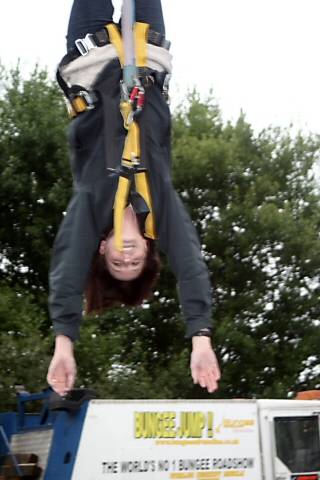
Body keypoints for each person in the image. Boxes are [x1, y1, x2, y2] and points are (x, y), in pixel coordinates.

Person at [47, 0, 221, 396]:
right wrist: (201, 338)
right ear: (147, 248)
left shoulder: (91, 206)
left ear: (103, 247)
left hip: (90, 58)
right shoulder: (160, 205)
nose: (126, 256)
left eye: (116, 262)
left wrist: (63, 343)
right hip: (146, 52)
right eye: (134, 261)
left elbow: (68, 271)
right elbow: (192, 266)